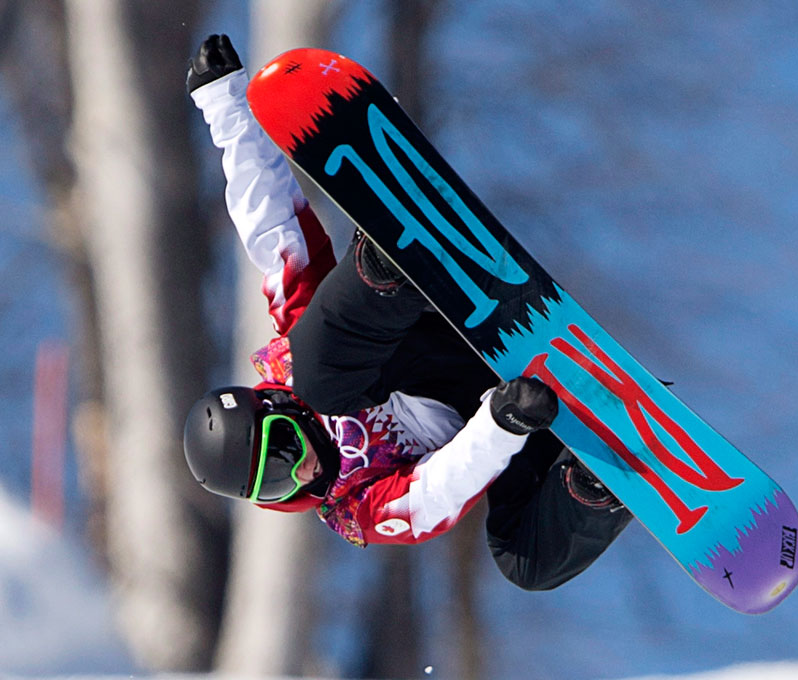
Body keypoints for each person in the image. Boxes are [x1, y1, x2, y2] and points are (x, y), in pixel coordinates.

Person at [182, 34, 632, 591]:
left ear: (275, 406)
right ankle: (595, 482)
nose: (300, 470)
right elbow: (434, 494)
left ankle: (393, 259)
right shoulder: (359, 506)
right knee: (524, 564)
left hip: (436, 324)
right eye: (276, 483)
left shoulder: (298, 372)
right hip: (507, 406)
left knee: (319, 377)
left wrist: (225, 106)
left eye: (283, 448)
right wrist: (500, 424)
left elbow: (276, 234)